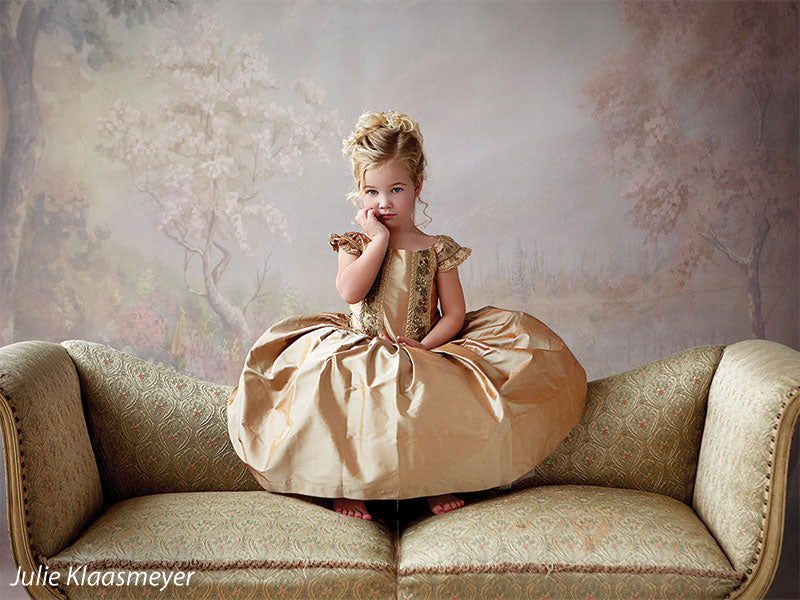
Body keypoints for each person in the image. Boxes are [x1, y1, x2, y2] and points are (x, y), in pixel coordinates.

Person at [227, 110, 588, 521]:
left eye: (396, 189)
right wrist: (378, 241)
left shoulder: (437, 248)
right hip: (361, 345)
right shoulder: (355, 243)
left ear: (418, 185)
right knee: (342, 386)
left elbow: (454, 314)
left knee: (433, 393)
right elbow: (350, 291)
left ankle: (434, 481)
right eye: (372, 192)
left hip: (421, 346)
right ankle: (347, 485)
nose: (383, 203)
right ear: (359, 191)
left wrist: (425, 347)